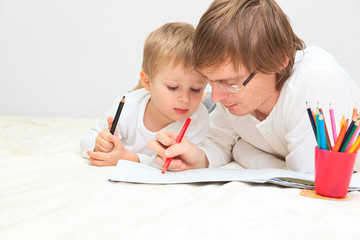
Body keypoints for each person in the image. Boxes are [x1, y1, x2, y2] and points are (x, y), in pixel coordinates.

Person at [148, 0, 360, 174]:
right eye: (210, 81)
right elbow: (220, 141)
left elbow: (305, 180)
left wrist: (243, 151)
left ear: (279, 59)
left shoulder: (315, 85)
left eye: (230, 83)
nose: (216, 98)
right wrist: (199, 158)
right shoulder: (233, 93)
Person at [80, 22, 209, 167]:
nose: (185, 99)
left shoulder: (198, 118)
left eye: (196, 89)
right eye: (173, 87)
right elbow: (87, 139)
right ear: (147, 82)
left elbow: (183, 163)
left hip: (212, 108)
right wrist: (99, 145)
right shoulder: (127, 106)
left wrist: (130, 158)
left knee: (212, 106)